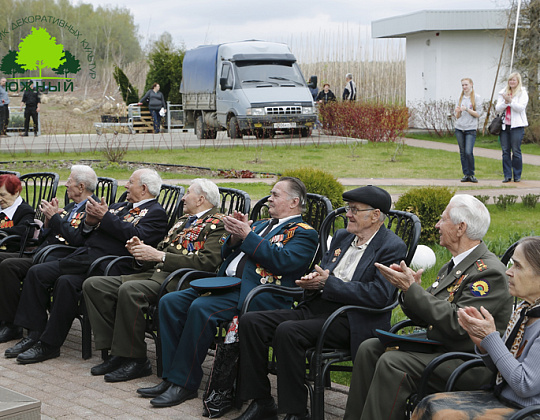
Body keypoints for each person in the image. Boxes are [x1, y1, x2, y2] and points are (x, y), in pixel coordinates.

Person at [136, 177, 319, 409]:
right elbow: (226, 253)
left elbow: (284, 262)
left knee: (201, 309)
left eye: (275, 195)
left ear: (294, 202)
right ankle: (171, 376)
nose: (269, 199)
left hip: (255, 292)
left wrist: (247, 235)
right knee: (171, 301)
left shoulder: (304, 233)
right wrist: (234, 235)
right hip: (224, 283)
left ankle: (184, 384)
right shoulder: (262, 224)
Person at [233, 186, 408, 420]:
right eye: (348, 208)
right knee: (252, 321)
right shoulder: (343, 237)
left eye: (355, 210)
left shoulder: (391, 246)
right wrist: (312, 281)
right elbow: (325, 271)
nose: (348, 214)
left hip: (353, 319)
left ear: (375, 215)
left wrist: (329, 284)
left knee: (288, 332)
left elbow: (380, 295)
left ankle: (296, 412)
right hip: (318, 308)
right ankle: (262, 401)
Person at [343, 194, 514, 420]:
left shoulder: (487, 273)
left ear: (460, 228)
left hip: (468, 360)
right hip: (441, 346)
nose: (437, 225)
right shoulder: (455, 265)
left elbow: (459, 325)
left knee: (393, 363)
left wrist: (413, 290)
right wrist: (408, 290)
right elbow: (426, 317)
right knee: (369, 348)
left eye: (442, 220)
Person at [5, 168, 168, 364]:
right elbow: (86, 234)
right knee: (64, 282)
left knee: (38, 272)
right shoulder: (119, 206)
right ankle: (40, 339)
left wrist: (105, 217)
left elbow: (136, 235)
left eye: (130, 182)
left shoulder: (156, 213)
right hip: (87, 257)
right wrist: (90, 223)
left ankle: (43, 342)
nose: (126, 185)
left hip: (110, 264)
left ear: (143, 189)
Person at [83, 179, 227, 383]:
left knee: (130, 290)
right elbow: (159, 251)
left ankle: (136, 360)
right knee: (94, 285)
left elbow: (207, 262)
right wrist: (140, 252)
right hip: (153, 273)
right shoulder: (182, 220)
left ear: (201, 199)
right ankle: (116, 352)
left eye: (187, 193)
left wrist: (160, 257)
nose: (183, 197)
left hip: (177, 280)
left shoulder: (218, 224)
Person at [412, 236, 540, 419]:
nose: (508, 272)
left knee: (443, 415)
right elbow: (504, 371)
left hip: (526, 412)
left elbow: (524, 384)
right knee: (430, 404)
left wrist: (491, 338)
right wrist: (483, 345)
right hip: (504, 399)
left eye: (517, 266)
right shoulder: (525, 310)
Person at [0, 165, 97, 344]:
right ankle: (7, 320)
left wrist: (56, 219)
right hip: (44, 252)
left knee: (11, 266)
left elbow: (77, 239)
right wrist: (47, 221)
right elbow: (46, 235)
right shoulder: (71, 206)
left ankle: (20, 327)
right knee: (5, 261)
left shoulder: (93, 208)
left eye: (69, 181)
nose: (66, 185)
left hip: (60, 257)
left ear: (81, 187)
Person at [495, 72, 528, 183]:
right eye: (510, 80)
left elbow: (520, 108)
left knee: (516, 151)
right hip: (505, 126)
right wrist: (505, 102)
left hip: (517, 126)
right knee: (505, 151)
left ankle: (517, 175)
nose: (512, 82)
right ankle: (507, 175)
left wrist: (511, 101)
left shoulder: (522, 93)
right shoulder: (503, 92)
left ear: (518, 81)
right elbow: (498, 108)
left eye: (514, 80)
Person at [454, 78, 481, 183]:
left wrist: (467, 110)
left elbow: (478, 114)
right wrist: (458, 111)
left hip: (470, 129)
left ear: (471, 85)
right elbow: (457, 116)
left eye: (466, 85)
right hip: (460, 128)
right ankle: (466, 174)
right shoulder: (460, 98)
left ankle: (471, 173)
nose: (464, 87)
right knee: (462, 152)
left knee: (468, 152)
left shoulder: (476, 98)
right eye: (463, 85)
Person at [0, 174, 35, 249]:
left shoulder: (25, 211)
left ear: (16, 193)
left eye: (2, 195)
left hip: (10, 250)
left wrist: (2, 231)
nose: (0, 199)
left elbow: (26, 230)